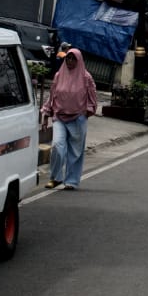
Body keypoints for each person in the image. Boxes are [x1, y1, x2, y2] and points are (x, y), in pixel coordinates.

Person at [42, 46, 98, 190]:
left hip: (78, 117)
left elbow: (92, 99)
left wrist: (87, 112)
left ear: (79, 60)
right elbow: (52, 96)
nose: (70, 61)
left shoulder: (86, 78)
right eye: (68, 58)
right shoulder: (59, 76)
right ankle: (55, 177)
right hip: (60, 117)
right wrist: (46, 114)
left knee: (75, 152)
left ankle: (71, 181)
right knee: (57, 146)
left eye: (73, 58)